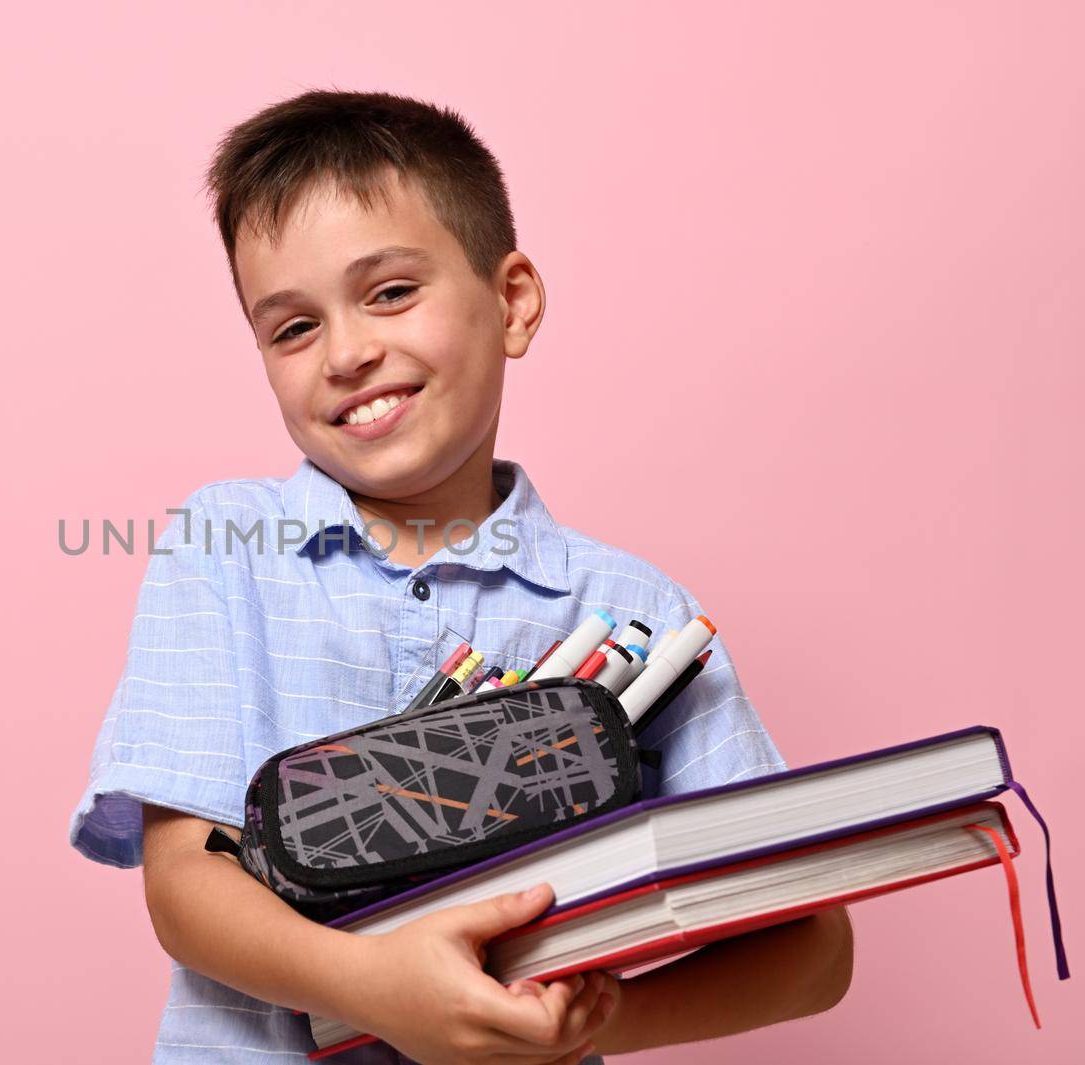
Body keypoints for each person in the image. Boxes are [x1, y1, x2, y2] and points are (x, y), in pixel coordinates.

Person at [67, 90, 852, 1064]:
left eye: (390, 292)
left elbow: (813, 948)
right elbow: (185, 885)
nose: (348, 353)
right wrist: (377, 990)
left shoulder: (637, 613)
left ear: (511, 301)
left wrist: (587, 1024)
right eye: (292, 328)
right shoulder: (224, 544)